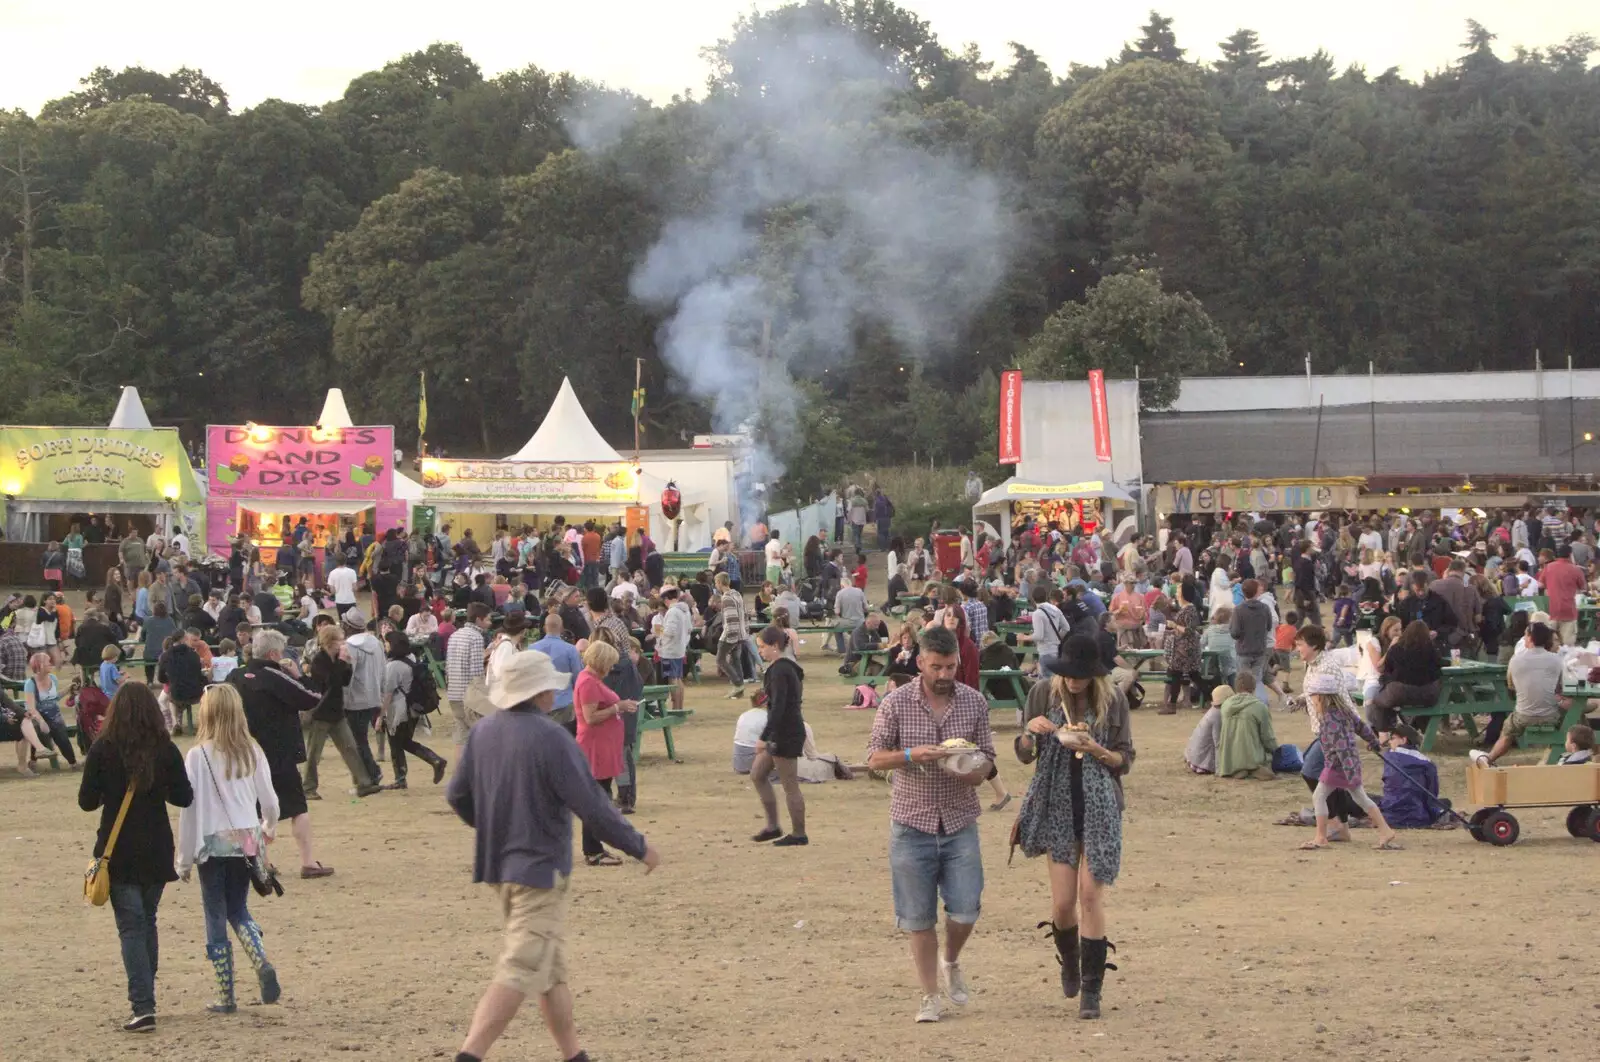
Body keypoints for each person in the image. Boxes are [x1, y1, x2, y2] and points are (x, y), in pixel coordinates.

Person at [446, 649, 660, 1062]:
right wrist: (639, 846)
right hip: (540, 870)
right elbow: (593, 805)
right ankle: (469, 1055)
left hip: (499, 867)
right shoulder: (551, 738)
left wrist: (492, 826)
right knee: (521, 967)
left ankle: (574, 1054)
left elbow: (456, 795)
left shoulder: (484, 732)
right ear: (541, 692)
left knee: (550, 970)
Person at [864, 625, 996, 1024]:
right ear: (919, 662)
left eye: (950, 667)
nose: (943, 674)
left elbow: (988, 762)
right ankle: (929, 996)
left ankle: (951, 960)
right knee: (917, 917)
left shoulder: (974, 703)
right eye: (936, 666)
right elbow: (873, 758)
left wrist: (969, 768)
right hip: (911, 822)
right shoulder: (896, 703)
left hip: (959, 821)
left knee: (966, 911)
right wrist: (912, 754)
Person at [1015, 634, 1134, 1019]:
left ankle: (1091, 991)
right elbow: (1023, 754)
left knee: (1089, 896)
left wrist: (1096, 749)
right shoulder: (1041, 694)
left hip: (1100, 806)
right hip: (1057, 803)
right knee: (1064, 903)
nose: (1074, 682)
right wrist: (1029, 733)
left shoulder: (1113, 699)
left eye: (1081, 676)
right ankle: (1070, 959)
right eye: (1069, 675)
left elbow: (1124, 758)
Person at [77, 684, 194, 1032]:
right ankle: (147, 994)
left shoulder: (104, 749)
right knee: (148, 920)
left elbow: (86, 801)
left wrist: (109, 791)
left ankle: (142, 1005)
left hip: (118, 849)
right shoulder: (165, 749)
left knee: (131, 927)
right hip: (157, 845)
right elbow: (184, 797)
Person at [175, 684, 283, 1015]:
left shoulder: (196, 755)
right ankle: (260, 960)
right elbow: (271, 803)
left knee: (215, 914)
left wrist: (183, 859)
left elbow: (188, 810)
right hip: (246, 839)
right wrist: (268, 829)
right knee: (239, 909)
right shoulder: (252, 750)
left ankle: (226, 994)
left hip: (212, 842)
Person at [232, 629, 337, 879]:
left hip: (245, 753)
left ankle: (259, 863)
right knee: (297, 807)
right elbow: (312, 697)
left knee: (249, 811)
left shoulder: (234, 676)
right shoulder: (274, 675)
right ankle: (308, 862)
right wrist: (297, 674)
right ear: (273, 654)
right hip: (279, 752)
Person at [1298, 672, 1402, 852]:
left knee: (1319, 796)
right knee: (1360, 798)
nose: (1312, 700)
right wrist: (1373, 741)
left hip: (1339, 766)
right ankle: (1385, 831)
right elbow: (1361, 726)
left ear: (1321, 697)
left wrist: (1349, 772)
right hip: (1347, 764)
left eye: (1313, 696)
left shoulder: (1330, 719)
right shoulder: (1343, 711)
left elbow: (1342, 747)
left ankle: (1321, 837)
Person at [572, 640, 638, 865]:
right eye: (609, 664)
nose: (611, 669)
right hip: (594, 747)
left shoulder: (593, 680)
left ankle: (596, 846)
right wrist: (617, 708)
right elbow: (590, 718)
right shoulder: (588, 682)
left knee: (600, 798)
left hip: (603, 746)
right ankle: (593, 850)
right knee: (597, 800)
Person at [1473, 622, 1566, 767]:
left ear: (1529, 638)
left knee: (1507, 732)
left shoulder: (1516, 660)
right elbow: (1559, 688)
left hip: (1523, 714)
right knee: (1572, 714)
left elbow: (1511, 686)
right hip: (1551, 714)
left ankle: (1490, 758)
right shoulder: (1555, 660)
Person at [750, 625, 809, 846]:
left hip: (786, 732)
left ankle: (799, 833)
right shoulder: (784, 668)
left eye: (763, 647)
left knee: (789, 784)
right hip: (781, 730)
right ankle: (773, 826)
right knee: (757, 774)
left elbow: (779, 707)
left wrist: (764, 737)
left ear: (775, 646)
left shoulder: (781, 670)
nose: (761, 651)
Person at [381, 631, 448, 789]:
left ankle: (401, 778)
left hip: (399, 710)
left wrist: (381, 715)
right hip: (414, 708)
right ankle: (433, 760)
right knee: (404, 741)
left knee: (396, 743)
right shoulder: (411, 658)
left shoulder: (393, 666)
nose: (385, 645)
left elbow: (388, 693)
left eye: (387, 642)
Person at [1366, 620, 1442, 736]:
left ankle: (1384, 736)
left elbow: (1386, 672)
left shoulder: (1396, 649)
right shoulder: (1431, 650)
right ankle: (1418, 730)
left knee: (1378, 702)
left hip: (1401, 692)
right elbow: (1438, 670)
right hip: (1428, 695)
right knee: (1387, 701)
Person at [341, 607, 386, 785]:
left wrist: (343, 700)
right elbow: (384, 670)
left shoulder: (349, 647)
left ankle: (373, 772)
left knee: (358, 741)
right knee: (361, 740)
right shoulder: (377, 643)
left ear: (349, 626)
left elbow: (347, 676)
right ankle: (370, 773)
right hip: (374, 697)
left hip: (355, 700)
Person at [1377, 724, 1446, 828]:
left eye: (1392, 738)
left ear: (1404, 740)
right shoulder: (1427, 763)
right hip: (1418, 818)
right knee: (1445, 803)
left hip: (1389, 816)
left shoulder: (1388, 756)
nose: (1390, 742)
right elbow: (1432, 795)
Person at [1215, 673, 1278, 780]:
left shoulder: (1225, 705)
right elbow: (1267, 738)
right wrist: (1275, 751)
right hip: (1251, 757)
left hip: (1227, 761)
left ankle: (1238, 769)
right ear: (1254, 688)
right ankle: (1251, 768)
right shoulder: (1259, 707)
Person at [530, 613, 584, 734]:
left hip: (539, 705)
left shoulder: (532, 648)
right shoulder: (571, 650)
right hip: (564, 706)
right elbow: (578, 679)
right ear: (561, 628)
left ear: (544, 628)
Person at [446, 603, 492, 743]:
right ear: (479, 620)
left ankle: (461, 765)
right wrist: (488, 695)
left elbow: (448, 667)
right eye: (488, 619)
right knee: (482, 739)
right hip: (469, 697)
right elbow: (476, 673)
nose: (490, 623)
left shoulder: (455, 635)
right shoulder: (476, 638)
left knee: (461, 738)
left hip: (453, 693)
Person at [24, 651, 78, 767]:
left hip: (54, 715)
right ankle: (33, 761)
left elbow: (54, 698)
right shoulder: (30, 683)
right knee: (38, 729)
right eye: (48, 662)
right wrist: (41, 721)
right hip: (38, 715)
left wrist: (68, 688)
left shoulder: (53, 678)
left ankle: (73, 763)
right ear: (40, 665)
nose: (51, 664)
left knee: (62, 737)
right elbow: (31, 708)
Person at [1159, 577, 1203, 714]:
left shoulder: (1189, 610)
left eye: (1178, 591)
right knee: (1190, 675)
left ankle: (1172, 705)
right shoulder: (1186, 608)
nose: (1176, 593)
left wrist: (1174, 625)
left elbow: (1189, 630)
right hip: (1183, 647)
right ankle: (1172, 705)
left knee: (1179, 674)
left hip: (1185, 647)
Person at [1183, 687, 1224, 774]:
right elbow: (1218, 743)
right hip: (1203, 760)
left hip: (1193, 755)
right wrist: (1219, 768)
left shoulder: (1213, 711)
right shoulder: (1218, 715)